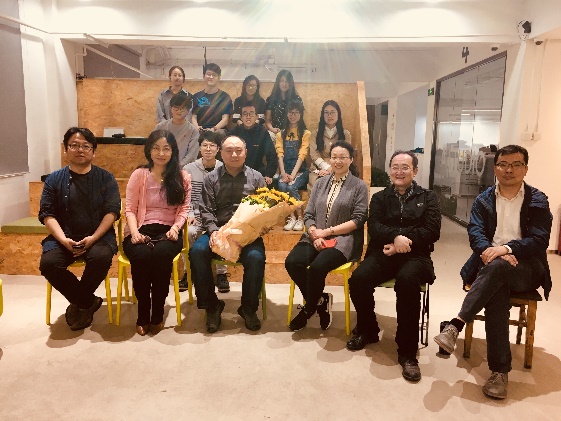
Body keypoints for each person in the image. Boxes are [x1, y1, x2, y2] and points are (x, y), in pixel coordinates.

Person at [434, 145, 552, 400]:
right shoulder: (484, 199)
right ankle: (499, 372)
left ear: (525, 169)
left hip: (526, 268)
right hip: (490, 263)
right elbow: (475, 233)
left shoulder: (538, 200)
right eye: (503, 164)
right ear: (495, 168)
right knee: (497, 290)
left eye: (516, 164)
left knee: (497, 269)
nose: (509, 170)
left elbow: (539, 240)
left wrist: (507, 249)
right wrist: (492, 251)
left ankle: (456, 324)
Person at [346, 150, 441, 383]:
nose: (399, 172)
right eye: (395, 167)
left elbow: (432, 231)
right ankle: (368, 329)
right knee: (358, 280)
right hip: (384, 252)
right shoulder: (380, 197)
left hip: (416, 255)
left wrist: (402, 241)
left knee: (407, 282)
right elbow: (374, 226)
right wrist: (396, 238)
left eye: (405, 167)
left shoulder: (428, 197)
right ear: (390, 170)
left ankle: (408, 352)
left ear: (415, 171)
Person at [39, 127, 121, 331]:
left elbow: (112, 212)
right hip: (63, 237)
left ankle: (79, 302)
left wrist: (93, 238)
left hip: (98, 237)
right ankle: (87, 301)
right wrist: (63, 239)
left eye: (86, 146)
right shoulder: (53, 179)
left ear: (93, 151)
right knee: (49, 264)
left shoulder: (106, 178)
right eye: (74, 145)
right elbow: (47, 214)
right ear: (65, 149)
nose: (80, 150)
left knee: (101, 258)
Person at [285, 141, 368, 331]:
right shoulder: (320, 183)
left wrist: (327, 232)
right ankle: (320, 300)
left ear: (351, 160)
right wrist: (315, 234)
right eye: (334, 157)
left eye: (342, 157)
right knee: (292, 262)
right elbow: (308, 215)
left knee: (317, 267)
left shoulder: (359, 186)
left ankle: (308, 309)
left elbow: (358, 220)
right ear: (329, 159)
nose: (338, 161)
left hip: (342, 239)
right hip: (315, 235)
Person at [189, 136, 266, 333]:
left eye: (238, 150)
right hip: (219, 231)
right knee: (197, 251)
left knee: (256, 257)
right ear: (221, 153)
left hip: (247, 234)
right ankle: (212, 306)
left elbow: (264, 209)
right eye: (229, 150)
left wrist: (262, 225)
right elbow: (206, 210)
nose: (234, 154)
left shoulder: (256, 178)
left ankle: (248, 308)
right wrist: (214, 231)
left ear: (245, 152)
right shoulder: (211, 178)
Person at [123, 130, 191, 336]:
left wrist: (175, 228)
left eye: (166, 149)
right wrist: (134, 232)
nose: (161, 153)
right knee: (142, 256)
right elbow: (130, 209)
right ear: (149, 150)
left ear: (173, 151)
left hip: (169, 232)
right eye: (156, 148)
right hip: (140, 228)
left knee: (161, 256)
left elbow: (184, 209)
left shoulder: (182, 177)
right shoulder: (139, 175)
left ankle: (158, 313)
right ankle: (143, 314)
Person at [182, 131, 229, 293]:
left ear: (218, 149)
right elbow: (185, 197)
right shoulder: (188, 169)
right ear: (199, 148)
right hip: (195, 214)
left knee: (223, 231)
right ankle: (189, 272)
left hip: (216, 215)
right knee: (189, 232)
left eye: (212, 146)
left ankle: (221, 273)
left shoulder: (224, 169)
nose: (208, 149)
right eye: (205, 145)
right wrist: (189, 214)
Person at [275, 100, 310, 231]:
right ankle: (292, 217)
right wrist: (283, 173)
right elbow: (280, 154)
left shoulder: (305, 133)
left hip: (300, 171)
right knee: (281, 185)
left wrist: (293, 175)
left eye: (296, 113)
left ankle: (300, 218)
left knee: (291, 186)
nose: (293, 115)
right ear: (287, 114)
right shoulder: (280, 134)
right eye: (290, 112)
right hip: (285, 170)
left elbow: (302, 155)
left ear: (300, 115)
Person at [230, 101, 277, 186]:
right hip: (237, 172)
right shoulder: (234, 132)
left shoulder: (262, 132)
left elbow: (271, 155)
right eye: (245, 114)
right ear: (241, 117)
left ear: (256, 116)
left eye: (251, 114)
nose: (248, 117)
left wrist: (269, 175)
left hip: (257, 171)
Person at [308, 100, 351, 193]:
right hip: (319, 168)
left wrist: (332, 169)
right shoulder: (315, 133)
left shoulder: (345, 134)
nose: (329, 115)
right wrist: (326, 167)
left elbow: (346, 156)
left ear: (338, 114)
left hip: (340, 167)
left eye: (332, 112)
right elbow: (314, 155)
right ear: (322, 115)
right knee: (317, 185)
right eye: (326, 113)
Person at [155, 92, 199, 166]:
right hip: (160, 166)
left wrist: (178, 167)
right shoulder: (160, 127)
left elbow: (192, 155)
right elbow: (152, 147)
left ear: (188, 111)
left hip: (183, 168)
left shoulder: (193, 131)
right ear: (171, 109)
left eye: (182, 108)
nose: (179, 111)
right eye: (176, 108)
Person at [191, 63, 233, 134]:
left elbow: (225, 119)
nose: (211, 77)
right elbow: (193, 117)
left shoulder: (225, 97)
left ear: (219, 78)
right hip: (200, 131)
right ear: (203, 76)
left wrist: (213, 129)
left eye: (214, 75)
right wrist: (197, 127)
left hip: (218, 131)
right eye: (208, 74)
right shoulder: (196, 96)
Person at [265, 70, 303, 137]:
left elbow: (300, 119)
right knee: (269, 136)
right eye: (282, 81)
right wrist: (272, 129)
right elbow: (267, 120)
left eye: (287, 81)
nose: (284, 84)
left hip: (292, 131)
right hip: (275, 132)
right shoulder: (270, 100)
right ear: (278, 82)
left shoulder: (297, 100)